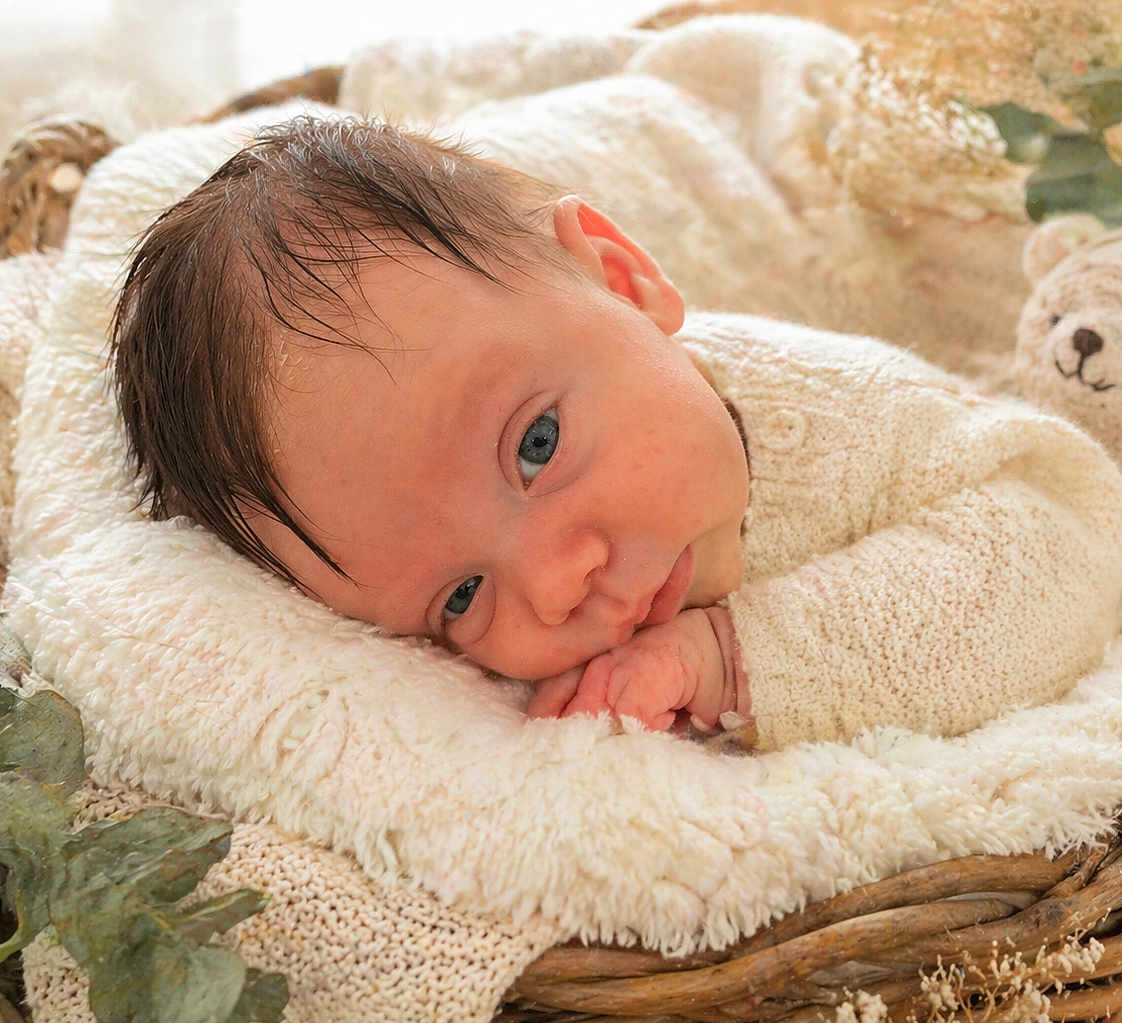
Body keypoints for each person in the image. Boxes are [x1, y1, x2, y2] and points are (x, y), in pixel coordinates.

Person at [111, 115, 1122, 750]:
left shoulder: (841, 415)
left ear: (623, 278)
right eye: (460, 598)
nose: (556, 586)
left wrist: (734, 658)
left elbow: (1063, 539)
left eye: (535, 447)